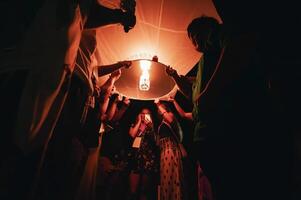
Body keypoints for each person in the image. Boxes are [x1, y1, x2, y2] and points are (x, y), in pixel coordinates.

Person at [155, 101, 185, 200]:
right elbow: (158, 143)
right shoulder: (160, 125)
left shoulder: (170, 116)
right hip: (164, 153)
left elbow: (169, 118)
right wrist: (151, 130)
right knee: (166, 179)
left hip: (170, 151)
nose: (160, 110)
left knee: (172, 178)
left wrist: (158, 103)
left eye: (162, 107)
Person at [127, 107, 159, 200]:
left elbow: (156, 141)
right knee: (132, 191)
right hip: (136, 157)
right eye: (143, 113)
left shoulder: (153, 127)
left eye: (147, 114)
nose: (145, 116)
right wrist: (139, 122)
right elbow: (132, 134)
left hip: (148, 159)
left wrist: (150, 126)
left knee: (144, 190)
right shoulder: (135, 123)